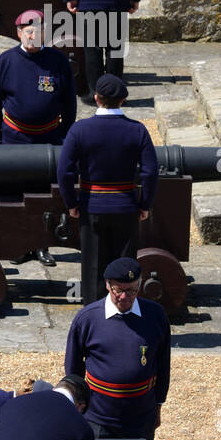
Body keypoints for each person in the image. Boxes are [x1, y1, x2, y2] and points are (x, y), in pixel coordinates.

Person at [56, 72, 158, 304]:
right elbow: (150, 171)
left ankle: (94, 314)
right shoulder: (137, 130)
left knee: (93, 266)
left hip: (92, 206)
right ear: (122, 100)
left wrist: (71, 203)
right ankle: (124, 308)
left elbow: (65, 171)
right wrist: (145, 204)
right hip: (126, 207)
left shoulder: (80, 130)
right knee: (124, 268)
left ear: (96, 98)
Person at [0, 7, 76, 267]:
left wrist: (64, 135)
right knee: (12, 194)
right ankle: (16, 245)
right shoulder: (6, 61)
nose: (33, 36)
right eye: (29, 32)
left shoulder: (58, 62)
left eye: (38, 31)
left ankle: (41, 245)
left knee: (44, 196)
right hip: (13, 138)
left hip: (47, 141)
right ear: (19, 33)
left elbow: (69, 103)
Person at [64, 256, 170, 440]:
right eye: (118, 290)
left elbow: (163, 364)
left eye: (131, 291)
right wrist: (76, 406)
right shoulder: (87, 319)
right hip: (97, 419)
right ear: (107, 285)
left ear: (139, 285)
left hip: (141, 418)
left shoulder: (156, 316)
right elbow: (73, 369)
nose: (124, 297)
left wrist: (158, 405)